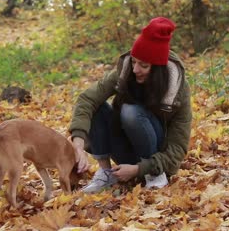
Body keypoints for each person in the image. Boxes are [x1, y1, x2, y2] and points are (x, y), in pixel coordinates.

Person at [68, 17, 192, 193]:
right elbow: (87, 99)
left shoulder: (178, 89)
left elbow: (177, 149)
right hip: (124, 151)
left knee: (131, 112)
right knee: (97, 105)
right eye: (134, 61)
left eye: (144, 65)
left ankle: (154, 177)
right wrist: (78, 144)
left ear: (157, 69)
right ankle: (106, 172)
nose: (135, 70)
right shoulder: (125, 72)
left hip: (156, 161)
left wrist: (139, 169)